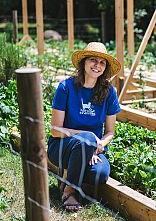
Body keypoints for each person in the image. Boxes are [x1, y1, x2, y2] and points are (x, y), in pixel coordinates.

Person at [47, 42, 121, 212]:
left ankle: (68, 175)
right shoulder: (66, 88)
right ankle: (69, 191)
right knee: (86, 139)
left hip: (93, 149)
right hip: (61, 147)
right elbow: (55, 130)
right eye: (93, 60)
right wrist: (87, 138)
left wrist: (99, 145)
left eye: (102, 62)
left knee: (100, 174)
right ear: (84, 62)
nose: (97, 65)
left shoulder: (109, 92)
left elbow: (110, 132)